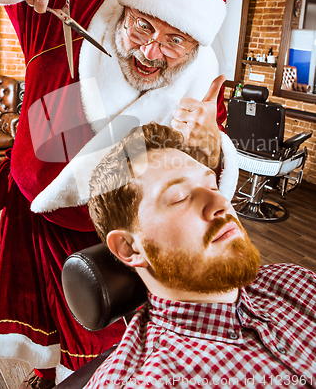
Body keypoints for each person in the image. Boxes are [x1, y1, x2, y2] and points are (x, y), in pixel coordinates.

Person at [0, 0, 238, 388]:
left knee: (92, 332)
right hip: (28, 209)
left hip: (100, 230)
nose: (150, 50)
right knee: (34, 311)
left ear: (196, 44)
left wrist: (209, 145)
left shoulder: (200, 87)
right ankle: (40, 371)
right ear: (128, 5)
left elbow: (208, 172)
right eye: (144, 25)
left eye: (174, 40)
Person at [86, 122, 316, 389]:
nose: (222, 204)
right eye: (181, 197)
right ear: (129, 247)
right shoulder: (146, 382)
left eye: (213, 187)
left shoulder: (298, 282)